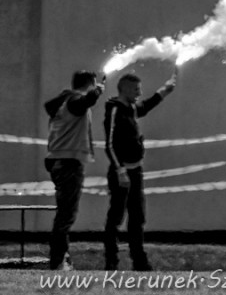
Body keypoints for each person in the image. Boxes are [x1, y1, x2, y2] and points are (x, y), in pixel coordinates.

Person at [103, 72, 176, 271]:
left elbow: (144, 107)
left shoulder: (130, 108)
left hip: (136, 172)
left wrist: (164, 91)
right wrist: (120, 170)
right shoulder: (114, 109)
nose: (139, 92)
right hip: (122, 172)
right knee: (116, 217)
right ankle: (111, 261)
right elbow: (109, 144)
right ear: (125, 89)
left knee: (137, 217)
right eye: (136, 89)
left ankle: (140, 262)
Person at [44, 70, 104, 270]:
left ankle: (62, 258)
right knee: (66, 216)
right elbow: (83, 103)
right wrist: (96, 93)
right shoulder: (75, 101)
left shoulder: (64, 101)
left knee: (64, 214)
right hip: (69, 163)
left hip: (57, 161)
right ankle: (58, 261)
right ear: (89, 84)